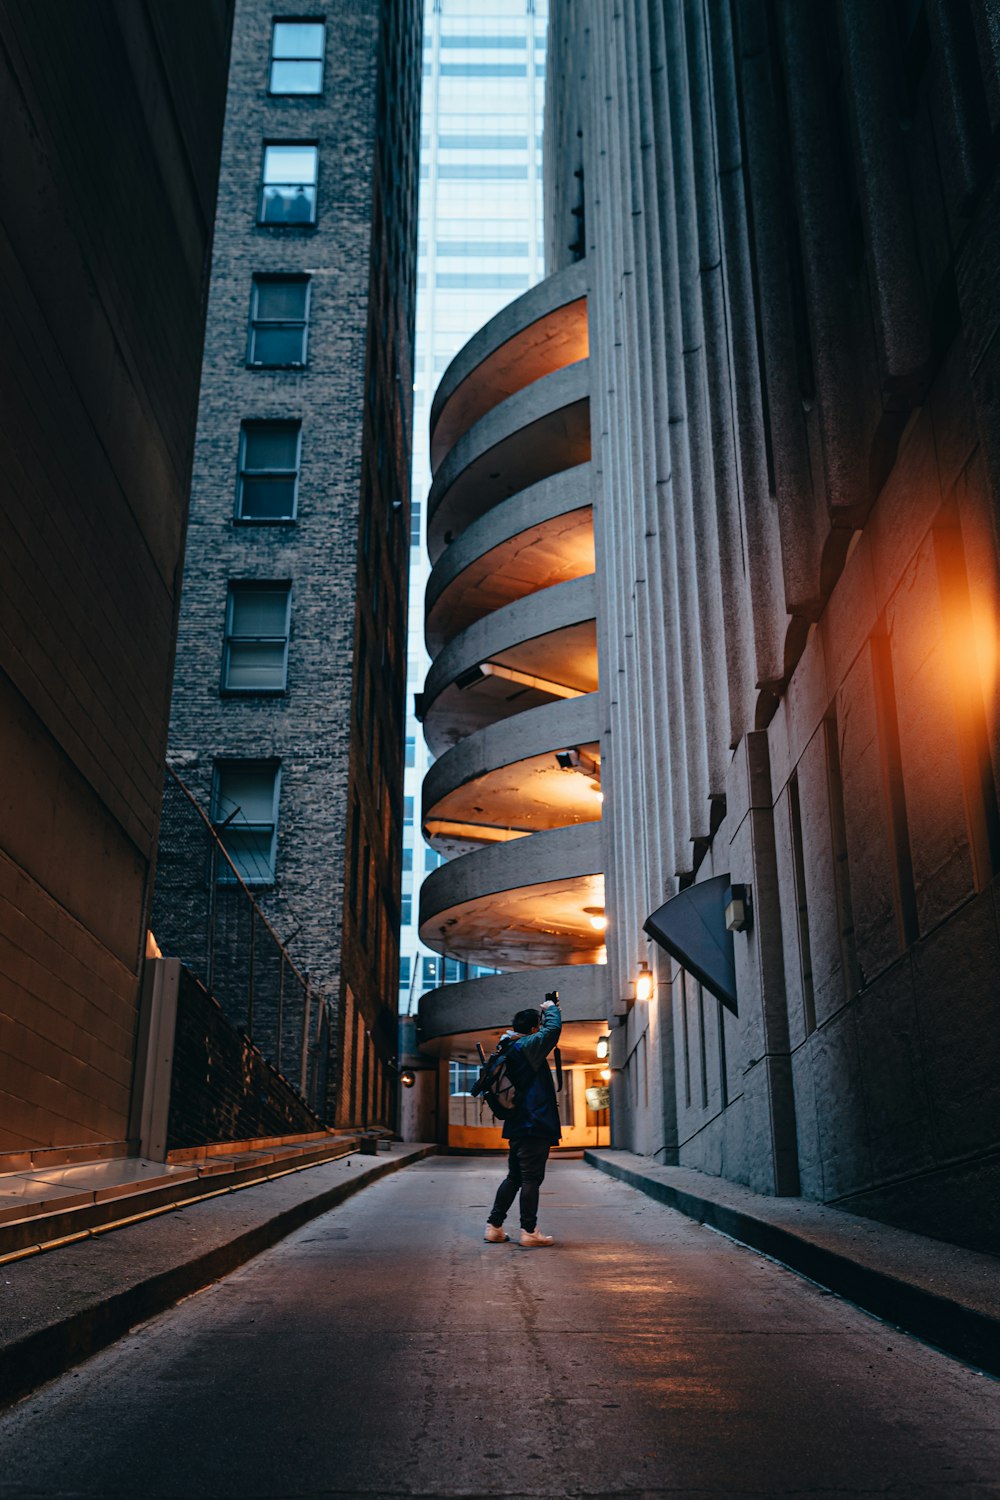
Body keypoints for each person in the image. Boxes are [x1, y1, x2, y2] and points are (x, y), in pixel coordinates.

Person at [484, 994, 562, 1247]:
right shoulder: (526, 1046)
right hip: (534, 1123)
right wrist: (550, 1009)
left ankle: (494, 1227)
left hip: (518, 1124)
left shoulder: (508, 1046)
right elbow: (552, 1031)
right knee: (531, 1178)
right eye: (536, 1028)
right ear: (532, 1029)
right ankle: (529, 1231)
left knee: (515, 1177)